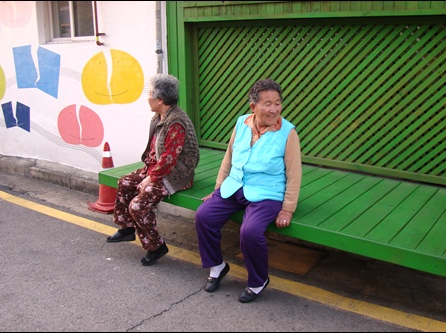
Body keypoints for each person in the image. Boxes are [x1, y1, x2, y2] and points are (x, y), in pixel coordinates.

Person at [195, 78, 302, 303]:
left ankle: (258, 280)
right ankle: (217, 267)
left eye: (278, 103)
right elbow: (229, 157)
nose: (274, 109)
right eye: (268, 104)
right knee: (204, 215)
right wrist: (217, 189)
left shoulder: (288, 132)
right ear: (253, 107)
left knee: (250, 232)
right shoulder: (242, 122)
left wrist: (288, 208)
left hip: (267, 193)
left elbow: (294, 173)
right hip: (235, 185)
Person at [106, 74, 200, 266]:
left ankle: (156, 246)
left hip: (175, 174)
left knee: (138, 205)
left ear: (160, 100)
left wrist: (150, 179)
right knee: (124, 182)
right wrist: (147, 172)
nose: (147, 97)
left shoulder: (176, 122)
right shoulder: (159, 116)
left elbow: (169, 159)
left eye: (149, 93)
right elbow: (155, 152)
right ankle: (127, 228)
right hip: (155, 168)